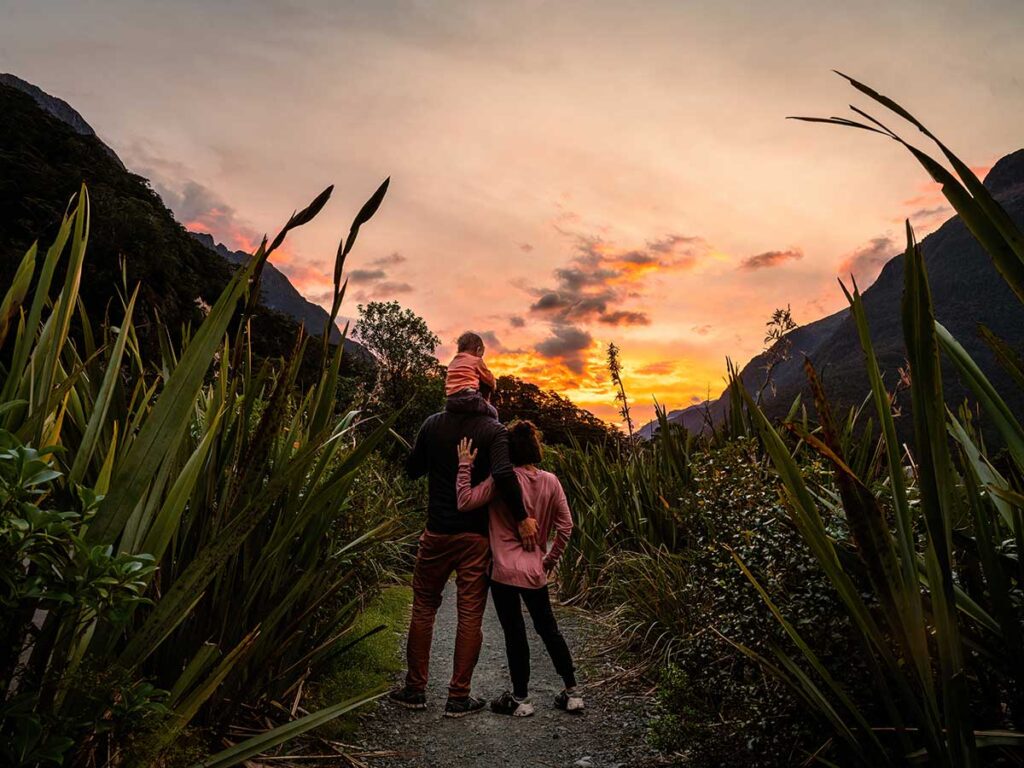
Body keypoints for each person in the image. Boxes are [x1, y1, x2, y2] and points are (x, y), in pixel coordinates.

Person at [390, 397, 539, 717]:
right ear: (485, 396)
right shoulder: (494, 430)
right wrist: (522, 516)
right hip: (475, 538)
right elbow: (503, 472)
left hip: (436, 533)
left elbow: (413, 469)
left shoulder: (432, 424)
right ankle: (458, 697)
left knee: (424, 607)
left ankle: (414, 690)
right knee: (470, 614)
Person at [455, 421, 584, 717]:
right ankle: (572, 692)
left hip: (503, 572)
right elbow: (566, 526)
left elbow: (465, 501)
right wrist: (549, 560)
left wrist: (464, 466)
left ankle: (520, 699)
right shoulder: (551, 481)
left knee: (515, 633)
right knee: (549, 630)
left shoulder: (503, 480)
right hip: (535, 570)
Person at [445, 331, 498, 419]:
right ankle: (492, 428)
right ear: (478, 350)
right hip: (469, 398)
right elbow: (489, 378)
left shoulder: (452, 363)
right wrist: (493, 384)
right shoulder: (476, 360)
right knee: (493, 412)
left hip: (450, 400)